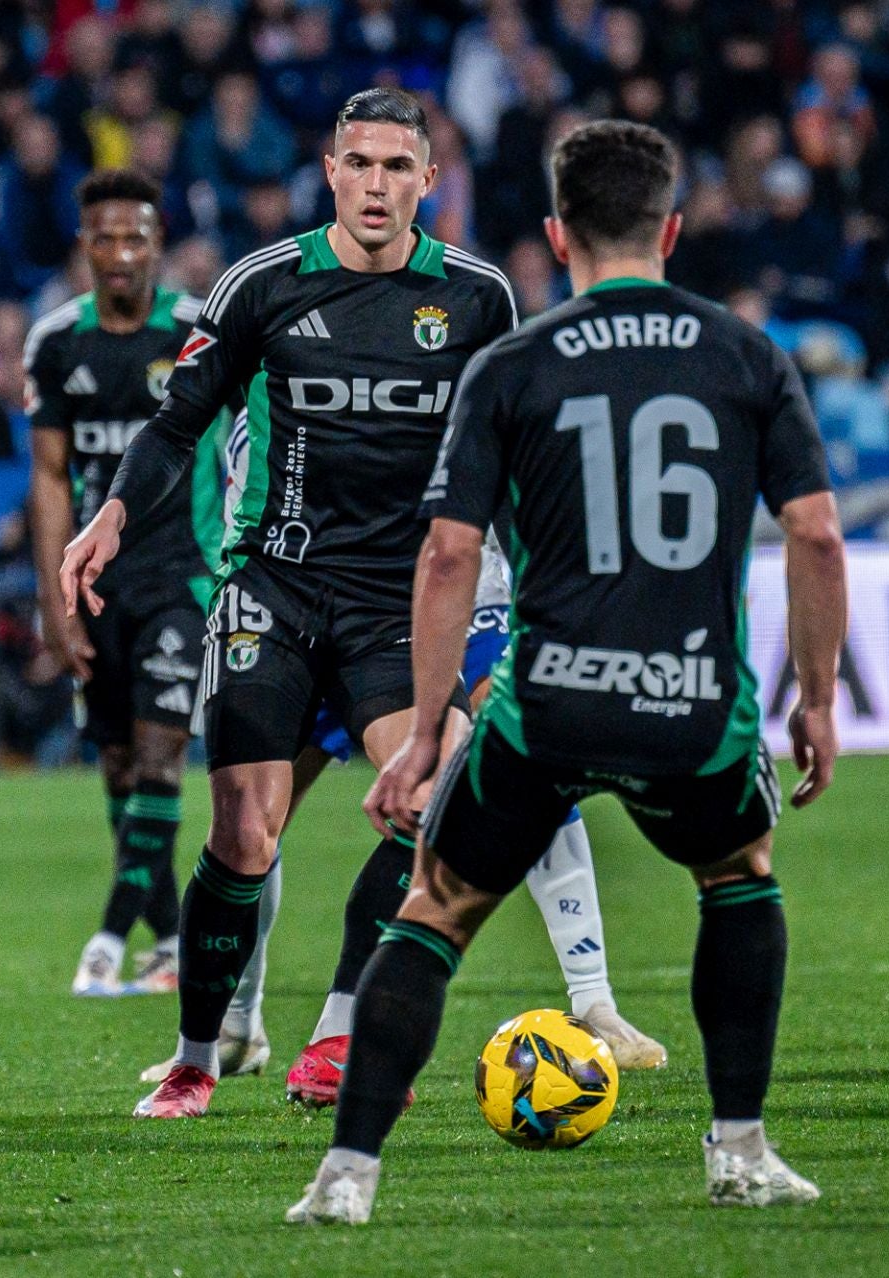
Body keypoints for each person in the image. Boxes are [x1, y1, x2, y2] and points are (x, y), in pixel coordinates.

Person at [286, 120, 846, 1224]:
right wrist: (816, 697)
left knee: (434, 910)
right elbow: (818, 536)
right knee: (740, 878)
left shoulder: (514, 362)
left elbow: (450, 554)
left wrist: (433, 724)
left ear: (556, 234)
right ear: (672, 230)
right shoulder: (743, 354)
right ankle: (739, 1150)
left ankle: (345, 1179)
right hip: (691, 702)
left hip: (547, 701)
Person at [60, 88, 519, 1120]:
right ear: (330, 169)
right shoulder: (261, 285)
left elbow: (514, 457)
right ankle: (194, 1056)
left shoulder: (480, 299)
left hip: (400, 603)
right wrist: (110, 521)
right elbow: (175, 428)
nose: (376, 184)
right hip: (271, 582)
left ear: (429, 181)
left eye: (398, 167)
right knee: (243, 836)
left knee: (426, 802)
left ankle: (340, 1034)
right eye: (359, 163)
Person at [139, 419, 669, 1097]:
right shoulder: (255, 392)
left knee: (516, 759)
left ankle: (591, 998)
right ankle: (238, 1025)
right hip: (301, 611)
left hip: (446, 598)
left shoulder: (434, 348)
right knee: (252, 828)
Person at [25, 170, 224, 998]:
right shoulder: (55, 342)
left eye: (136, 237)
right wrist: (52, 601)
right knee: (116, 768)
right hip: (95, 585)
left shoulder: (196, 333)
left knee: (159, 756)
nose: (120, 254)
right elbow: (47, 478)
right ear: (85, 246)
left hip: (183, 573)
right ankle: (173, 942)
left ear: (159, 245)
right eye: (104, 237)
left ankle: (108, 940)